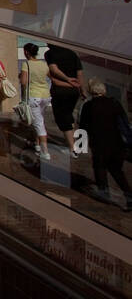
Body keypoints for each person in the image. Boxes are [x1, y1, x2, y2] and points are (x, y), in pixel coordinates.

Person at [78, 79, 131, 211]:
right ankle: (129, 195)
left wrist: (80, 146)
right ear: (104, 91)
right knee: (116, 170)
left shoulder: (88, 106)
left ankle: (104, 190)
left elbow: (83, 127)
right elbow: (124, 124)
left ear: (91, 91)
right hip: (116, 143)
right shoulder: (114, 103)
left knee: (99, 166)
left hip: (99, 143)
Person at [44, 43, 85, 152]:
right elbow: (79, 73)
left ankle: (72, 148)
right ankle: (71, 141)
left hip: (60, 90)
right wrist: (81, 89)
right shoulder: (72, 53)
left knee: (62, 118)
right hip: (74, 90)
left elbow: (53, 69)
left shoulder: (49, 54)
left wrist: (67, 79)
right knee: (68, 114)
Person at [20, 43, 52, 160]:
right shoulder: (43, 64)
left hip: (34, 96)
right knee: (40, 120)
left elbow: (24, 82)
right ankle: (38, 145)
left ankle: (45, 152)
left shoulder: (26, 64)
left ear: (27, 52)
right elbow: (50, 76)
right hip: (45, 96)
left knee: (38, 124)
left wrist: (21, 77)